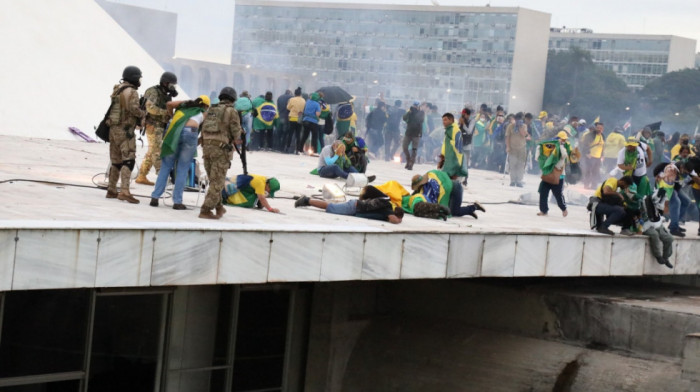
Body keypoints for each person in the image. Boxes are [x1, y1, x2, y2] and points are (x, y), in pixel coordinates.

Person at [150, 95, 210, 210]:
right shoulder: (203, 112)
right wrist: (198, 141)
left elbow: (169, 104)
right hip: (190, 133)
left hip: (174, 131)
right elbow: (205, 131)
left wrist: (172, 115)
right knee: (182, 168)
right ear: (206, 106)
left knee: (165, 167)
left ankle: (155, 197)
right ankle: (177, 202)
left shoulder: (183, 106)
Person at [198, 87, 243, 220]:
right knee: (217, 182)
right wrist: (240, 132)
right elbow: (236, 134)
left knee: (213, 180)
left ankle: (219, 207)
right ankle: (205, 210)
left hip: (206, 148)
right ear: (233, 99)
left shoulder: (211, 109)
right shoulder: (231, 111)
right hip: (221, 150)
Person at [106, 65, 146, 204]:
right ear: (134, 78)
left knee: (116, 161)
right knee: (128, 160)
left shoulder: (118, 89)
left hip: (113, 129)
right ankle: (124, 191)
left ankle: (111, 189)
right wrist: (143, 113)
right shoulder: (132, 92)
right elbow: (134, 109)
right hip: (125, 130)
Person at [135, 71, 177, 186]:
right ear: (166, 83)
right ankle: (161, 175)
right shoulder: (153, 91)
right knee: (157, 151)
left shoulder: (165, 94)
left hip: (159, 126)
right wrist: (165, 113)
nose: (173, 87)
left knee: (151, 151)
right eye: (172, 84)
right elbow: (150, 108)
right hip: (152, 125)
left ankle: (142, 176)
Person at [294, 190, 403, 224]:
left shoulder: (387, 205)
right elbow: (394, 220)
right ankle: (306, 200)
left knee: (331, 206)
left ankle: (308, 201)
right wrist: (399, 220)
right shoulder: (388, 209)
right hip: (353, 207)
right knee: (330, 207)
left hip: (355, 206)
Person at [410, 170, 485, 219]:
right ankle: (469, 210)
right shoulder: (430, 173)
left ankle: (474, 207)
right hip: (452, 184)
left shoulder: (431, 189)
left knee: (453, 212)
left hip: (454, 189)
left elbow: (441, 203)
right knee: (453, 209)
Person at [537, 131, 571, 217]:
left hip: (559, 175)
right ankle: (543, 210)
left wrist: (560, 146)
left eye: (564, 140)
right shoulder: (549, 146)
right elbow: (539, 155)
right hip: (548, 173)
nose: (564, 141)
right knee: (543, 192)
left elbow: (564, 156)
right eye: (562, 139)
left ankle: (564, 209)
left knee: (558, 194)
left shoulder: (563, 148)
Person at [640, 188, 674, 268]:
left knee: (669, 238)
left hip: (657, 223)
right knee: (654, 235)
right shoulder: (646, 200)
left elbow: (663, 209)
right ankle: (658, 256)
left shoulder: (660, 201)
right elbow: (654, 198)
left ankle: (666, 258)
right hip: (646, 225)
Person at [439, 113, 468, 179]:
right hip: (449, 157)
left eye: (445, 120)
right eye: (443, 120)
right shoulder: (449, 129)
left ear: (451, 120)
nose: (443, 122)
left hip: (453, 159)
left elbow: (457, 146)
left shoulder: (454, 130)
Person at [505, 112, 530, 187]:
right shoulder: (510, 126)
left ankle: (519, 180)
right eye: (517, 119)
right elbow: (507, 137)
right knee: (512, 164)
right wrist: (508, 147)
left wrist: (520, 127)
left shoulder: (524, 126)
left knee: (521, 165)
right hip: (512, 148)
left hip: (522, 148)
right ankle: (512, 180)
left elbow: (524, 135)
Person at [581, 121, 605, 189]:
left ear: (603, 129)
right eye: (598, 128)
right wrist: (587, 153)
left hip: (598, 157)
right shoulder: (590, 135)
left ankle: (594, 185)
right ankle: (586, 185)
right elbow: (585, 144)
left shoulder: (602, 136)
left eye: (601, 128)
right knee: (588, 171)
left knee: (596, 172)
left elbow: (603, 146)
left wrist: (602, 155)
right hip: (590, 156)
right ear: (595, 128)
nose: (599, 129)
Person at [402, 101, 424, 170]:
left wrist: (414, 112)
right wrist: (409, 112)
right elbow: (404, 118)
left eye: (416, 106)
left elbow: (420, 120)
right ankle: (408, 160)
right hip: (408, 132)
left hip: (416, 134)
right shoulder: (410, 112)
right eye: (414, 106)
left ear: (419, 106)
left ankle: (411, 163)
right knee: (404, 147)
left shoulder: (421, 113)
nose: (415, 107)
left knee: (414, 149)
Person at [286, 87, 305, 153]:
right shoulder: (303, 100)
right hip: (299, 118)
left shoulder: (292, 99)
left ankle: (288, 147)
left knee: (290, 133)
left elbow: (288, 108)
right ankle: (297, 149)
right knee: (298, 134)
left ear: (295, 93)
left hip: (292, 117)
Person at [458, 107, 474, 186]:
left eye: (464, 115)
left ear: (468, 115)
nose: (463, 116)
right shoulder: (460, 120)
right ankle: (459, 178)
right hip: (460, 144)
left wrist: (463, 124)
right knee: (459, 163)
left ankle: (465, 180)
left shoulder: (472, 121)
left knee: (465, 164)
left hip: (467, 145)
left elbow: (469, 131)